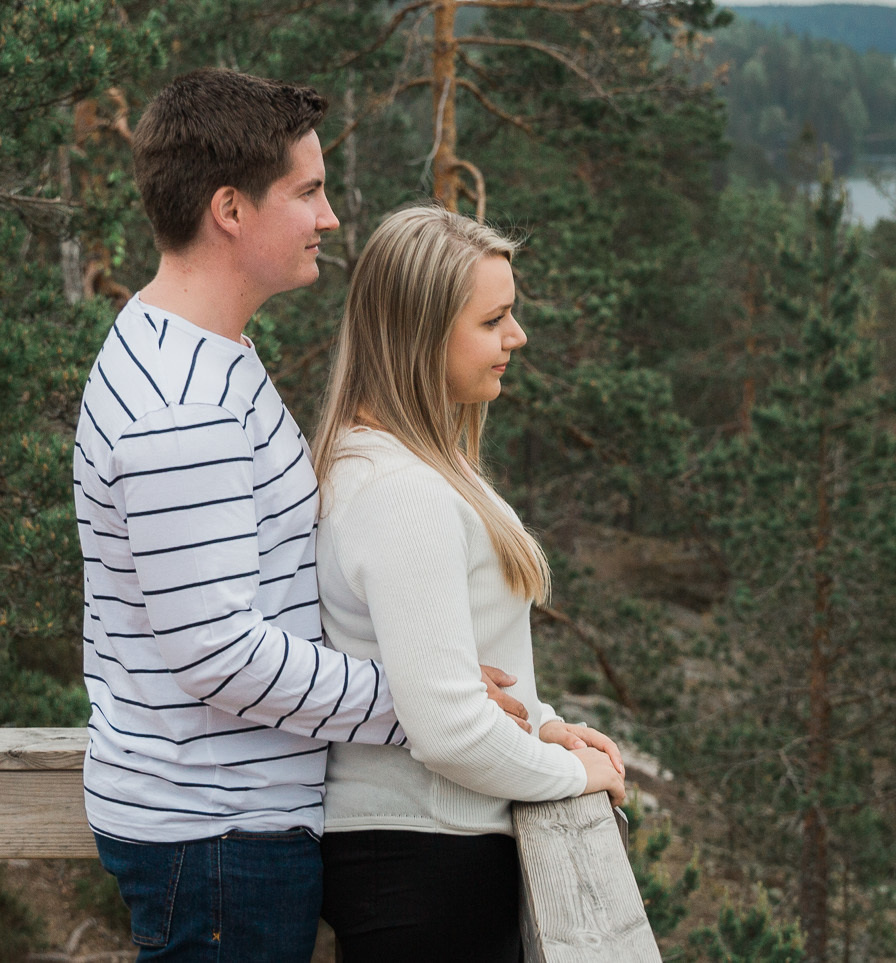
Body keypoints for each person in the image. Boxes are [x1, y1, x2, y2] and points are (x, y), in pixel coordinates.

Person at [74, 70, 555, 962]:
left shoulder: (206, 356)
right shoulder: (183, 406)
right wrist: (416, 701)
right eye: (308, 192)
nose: (330, 218)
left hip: (229, 825)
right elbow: (218, 651)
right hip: (218, 831)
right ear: (230, 209)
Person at [310, 205, 627, 963]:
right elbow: (448, 727)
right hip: (425, 861)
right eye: (493, 320)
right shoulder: (401, 491)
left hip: (423, 856)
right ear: (420, 335)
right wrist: (571, 772)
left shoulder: (396, 465)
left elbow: (462, 664)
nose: (517, 337)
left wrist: (539, 724)